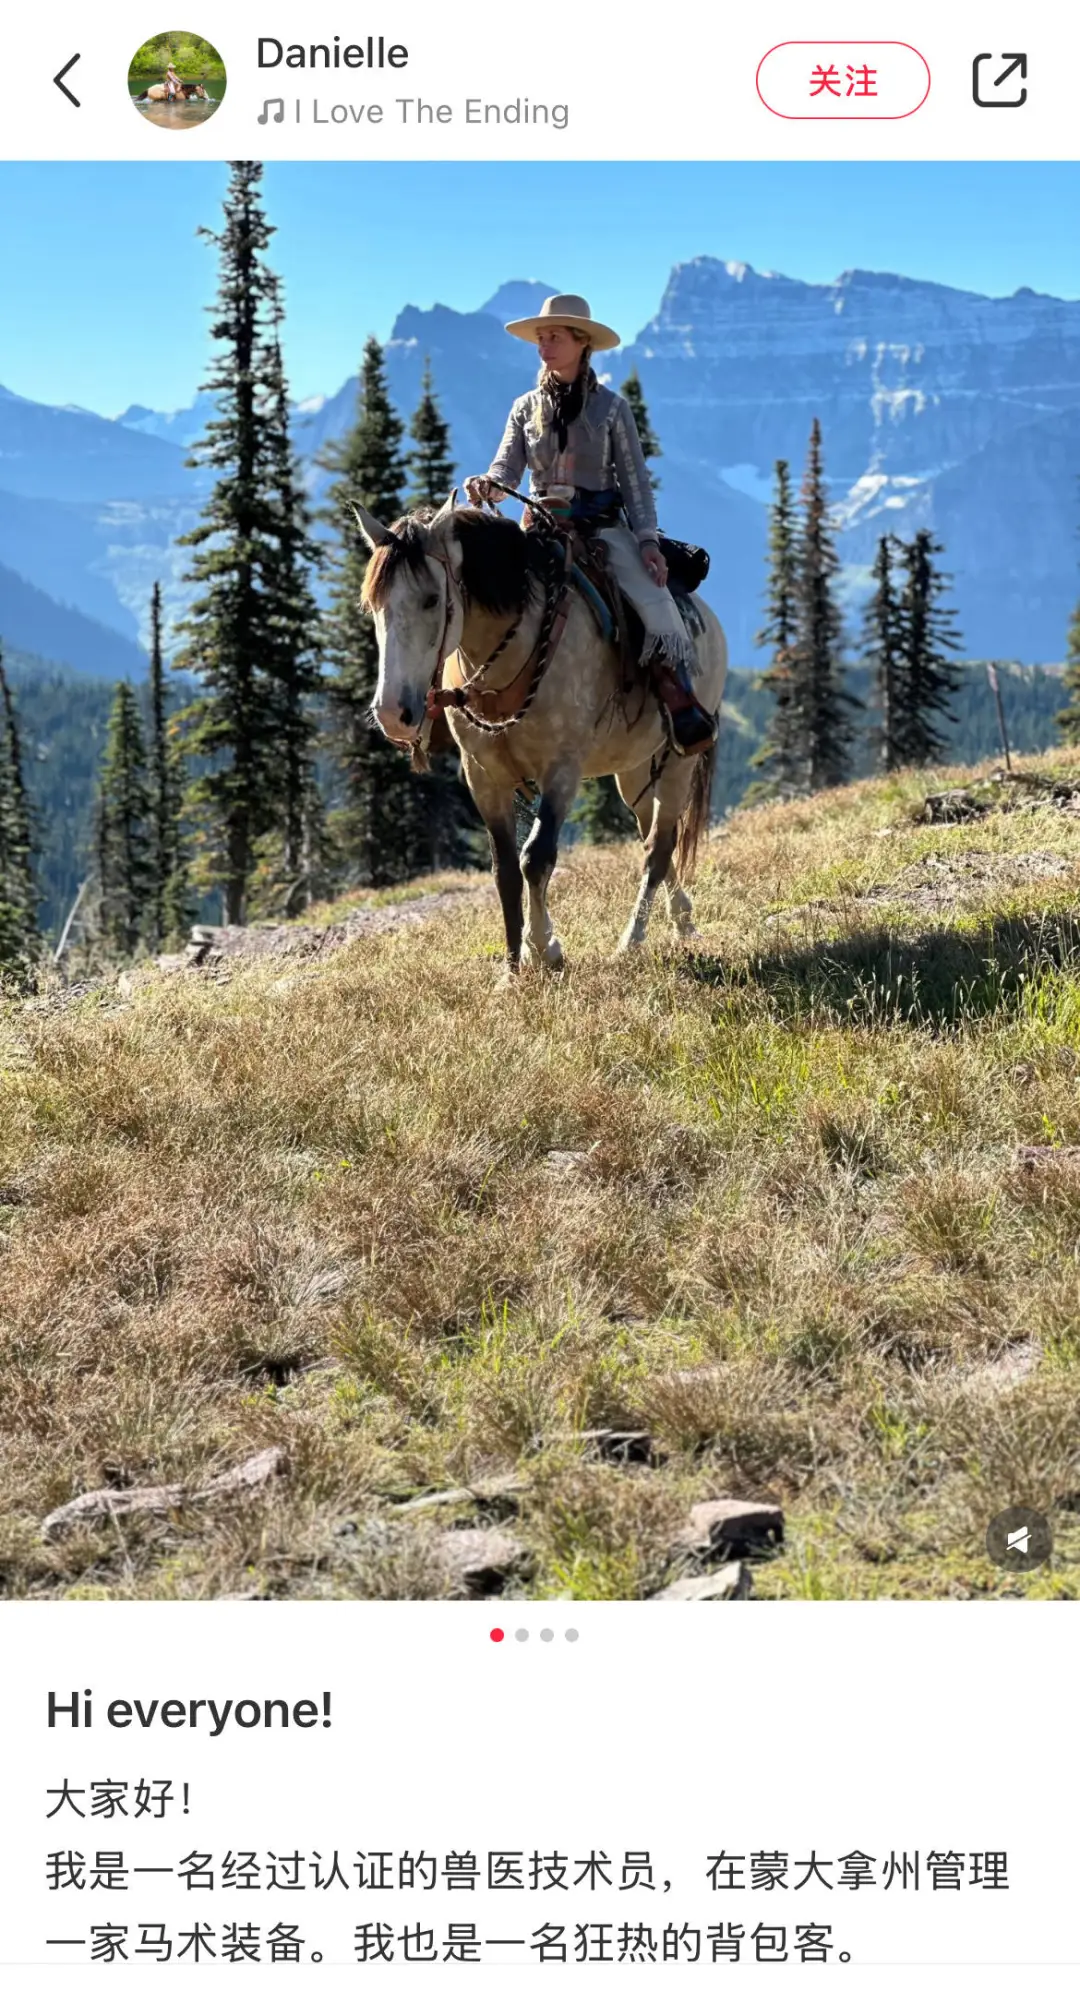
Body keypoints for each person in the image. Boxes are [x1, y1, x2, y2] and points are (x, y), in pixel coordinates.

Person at [464, 293, 716, 754]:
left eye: (554, 337)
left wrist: (646, 541)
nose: (544, 346)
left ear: (582, 343)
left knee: (655, 602)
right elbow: (505, 469)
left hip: (600, 530)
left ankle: (681, 705)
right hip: (538, 532)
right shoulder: (524, 408)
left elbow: (636, 482)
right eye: (540, 338)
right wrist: (490, 485)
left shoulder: (612, 409)